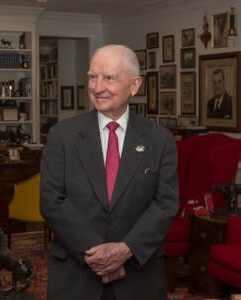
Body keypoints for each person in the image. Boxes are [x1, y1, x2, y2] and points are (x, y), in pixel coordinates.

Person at [40, 44, 179, 300]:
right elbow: (52, 201)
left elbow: (165, 203)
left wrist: (125, 250)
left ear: (134, 86)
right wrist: (98, 255)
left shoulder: (160, 140)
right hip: (76, 274)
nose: (97, 87)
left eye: (109, 78)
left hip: (139, 275)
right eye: (93, 77)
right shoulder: (63, 135)